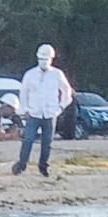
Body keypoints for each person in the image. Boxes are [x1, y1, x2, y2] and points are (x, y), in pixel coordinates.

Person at [14, 43, 72, 177]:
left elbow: (66, 90)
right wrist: (24, 109)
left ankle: (43, 166)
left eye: (46, 59)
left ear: (51, 59)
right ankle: (22, 165)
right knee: (28, 140)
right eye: (41, 59)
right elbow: (23, 93)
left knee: (47, 143)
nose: (43, 62)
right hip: (33, 113)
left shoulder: (57, 74)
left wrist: (61, 107)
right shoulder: (30, 74)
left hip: (50, 114)